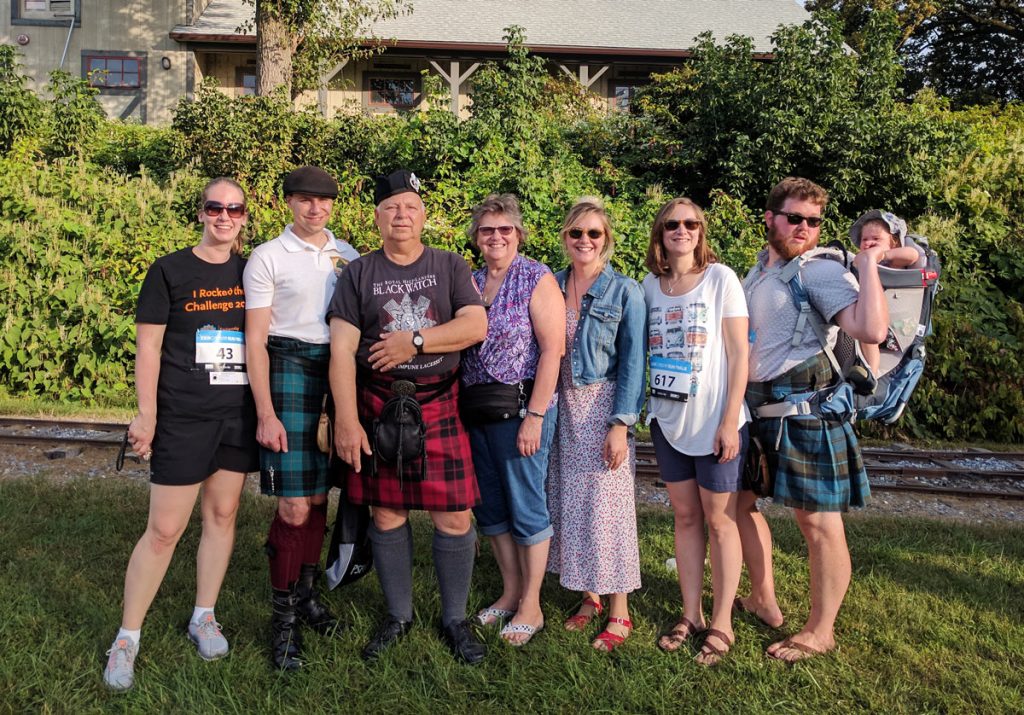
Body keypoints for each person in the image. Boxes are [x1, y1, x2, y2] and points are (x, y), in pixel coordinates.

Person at [103, 178, 259, 691]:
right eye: (215, 207)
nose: (225, 216)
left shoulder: (253, 270)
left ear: (243, 217)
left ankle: (203, 615)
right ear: (200, 213)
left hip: (236, 414)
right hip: (183, 414)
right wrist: (145, 414)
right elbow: (148, 348)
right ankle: (127, 637)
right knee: (165, 529)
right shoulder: (169, 270)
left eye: (234, 209)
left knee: (222, 514)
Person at [327, 169, 489, 664]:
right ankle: (398, 616)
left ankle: (455, 618)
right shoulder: (359, 273)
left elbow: (475, 324)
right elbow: (340, 352)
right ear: (377, 217)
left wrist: (413, 341)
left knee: (455, 516)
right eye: (392, 207)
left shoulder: (450, 265)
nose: (402, 215)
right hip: (377, 404)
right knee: (386, 513)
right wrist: (348, 421)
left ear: (423, 215)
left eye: (411, 207)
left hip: (438, 402)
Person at [737, 177, 888, 662]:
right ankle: (764, 599)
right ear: (770, 218)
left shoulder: (819, 272)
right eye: (794, 217)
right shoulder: (758, 271)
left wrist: (866, 265)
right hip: (757, 411)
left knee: (819, 525)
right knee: (739, 505)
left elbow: (871, 328)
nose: (804, 227)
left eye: (814, 221)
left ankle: (821, 630)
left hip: (805, 412)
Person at [243, 166, 360, 670]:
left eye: (324, 201)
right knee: (292, 508)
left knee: (316, 500)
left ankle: (307, 593)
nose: (316, 209)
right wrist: (265, 411)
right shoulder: (267, 257)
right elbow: (255, 340)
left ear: (334, 205)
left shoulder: (348, 257)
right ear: (288, 202)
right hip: (287, 367)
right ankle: (284, 618)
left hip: (336, 372)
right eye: (305, 200)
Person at [642, 198, 750, 666]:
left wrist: (730, 420)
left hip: (715, 421)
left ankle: (722, 621)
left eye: (690, 223)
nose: (681, 230)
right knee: (685, 519)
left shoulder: (721, 279)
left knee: (720, 521)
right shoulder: (649, 285)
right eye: (672, 224)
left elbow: (740, 354)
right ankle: (690, 614)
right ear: (660, 234)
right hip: (669, 421)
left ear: (701, 231)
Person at [460, 194, 565, 646]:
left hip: (522, 408)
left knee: (525, 504)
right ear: (477, 238)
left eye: (505, 229)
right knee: (490, 507)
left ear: (518, 234)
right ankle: (508, 591)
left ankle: (532, 604)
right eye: (487, 230)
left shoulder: (535, 278)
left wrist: (536, 416)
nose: (496, 236)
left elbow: (552, 350)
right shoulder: (469, 281)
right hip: (476, 410)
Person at [546, 196, 646, 653]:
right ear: (565, 237)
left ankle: (620, 607)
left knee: (607, 506)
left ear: (606, 240)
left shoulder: (625, 291)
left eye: (594, 234)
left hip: (601, 404)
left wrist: (620, 424)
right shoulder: (550, 282)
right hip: (560, 404)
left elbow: (633, 363)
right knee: (568, 501)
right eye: (576, 233)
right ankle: (588, 596)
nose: (584, 240)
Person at [848, 209, 926, 377]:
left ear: (894, 242)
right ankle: (864, 368)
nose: (869, 243)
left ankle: (872, 373)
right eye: (864, 239)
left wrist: (883, 254)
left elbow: (912, 255)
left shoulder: (894, 260)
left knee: (867, 332)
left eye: (876, 239)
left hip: (895, 327)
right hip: (872, 322)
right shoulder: (862, 261)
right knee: (860, 330)